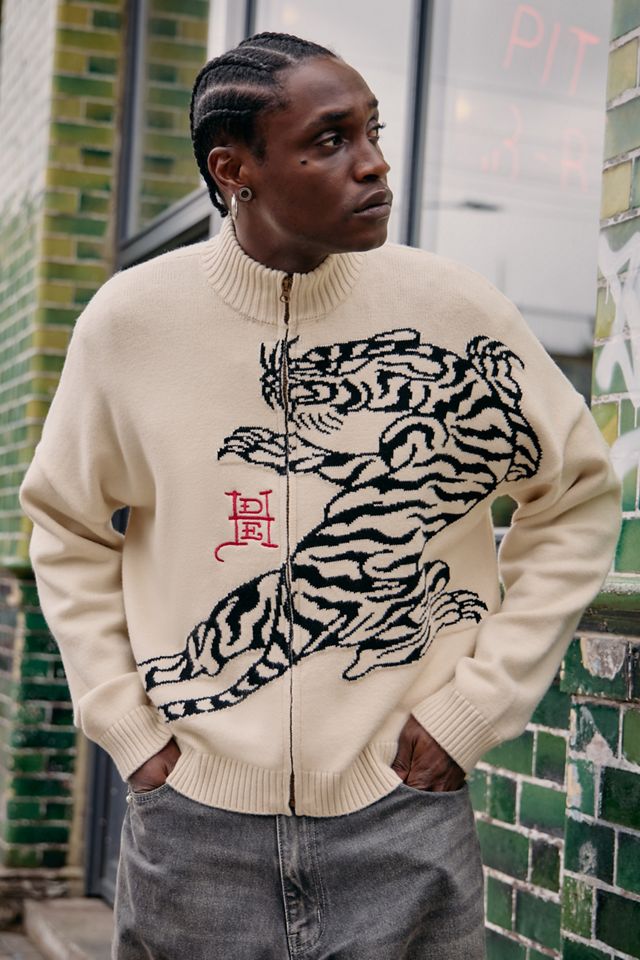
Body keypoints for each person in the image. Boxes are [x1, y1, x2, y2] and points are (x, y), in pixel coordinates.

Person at [19, 31, 620, 960]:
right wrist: (132, 731)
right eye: (331, 141)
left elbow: (575, 495)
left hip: (401, 817)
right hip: (193, 830)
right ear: (235, 170)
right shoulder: (130, 325)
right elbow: (67, 529)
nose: (374, 163)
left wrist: (469, 712)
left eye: (374, 131)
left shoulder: (451, 309)